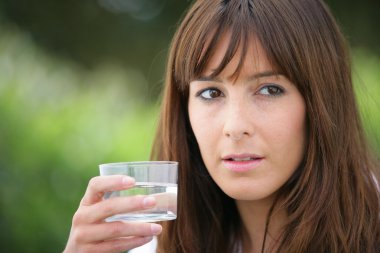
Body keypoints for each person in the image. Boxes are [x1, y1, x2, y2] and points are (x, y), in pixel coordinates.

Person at [64, 0, 380, 252]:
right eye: (211, 93)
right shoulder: (157, 241)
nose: (235, 126)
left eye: (269, 89)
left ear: (321, 102)